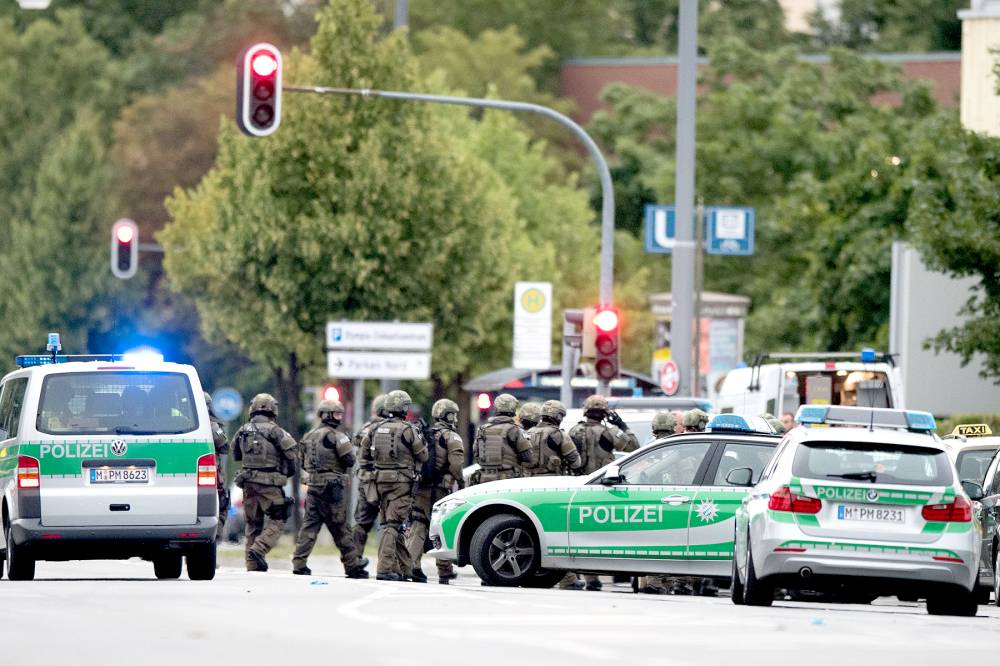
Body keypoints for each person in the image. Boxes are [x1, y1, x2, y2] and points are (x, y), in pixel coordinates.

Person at [291, 399, 369, 578]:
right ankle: (352, 565)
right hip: (332, 489)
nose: (340, 417)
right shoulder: (336, 435)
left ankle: (299, 562)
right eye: (336, 414)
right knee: (341, 528)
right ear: (326, 414)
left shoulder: (308, 435)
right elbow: (349, 460)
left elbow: (301, 460)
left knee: (309, 527)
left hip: (313, 487)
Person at [568, 395, 639, 591]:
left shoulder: (573, 430)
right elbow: (634, 445)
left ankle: (584, 577)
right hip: (601, 489)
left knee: (577, 532)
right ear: (605, 413)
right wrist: (622, 425)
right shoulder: (609, 432)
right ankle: (595, 577)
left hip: (577, 487)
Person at [361, 390, 427, 582]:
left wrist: (369, 474)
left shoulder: (374, 429)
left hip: (380, 483)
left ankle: (405, 569)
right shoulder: (408, 430)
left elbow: (363, 456)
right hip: (401, 484)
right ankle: (383, 568)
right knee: (393, 525)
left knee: (392, 525)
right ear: (404, 408)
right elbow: (423, 456)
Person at [232, 393, 299, 572]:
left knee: (253, 523)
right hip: (269, 483)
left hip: (247, 483)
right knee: (279, 517)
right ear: (273, 410)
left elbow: (236, 455)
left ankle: (252, 564)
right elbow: (292, 455)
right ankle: (259, 549)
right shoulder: (276, 431)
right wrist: (287, 471)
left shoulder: (242, 430)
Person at [523, 400, 585, 590]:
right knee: (557, 532)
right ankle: (568, 579)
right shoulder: (558, 435)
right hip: (552, 487)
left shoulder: (527, 433)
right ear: (558, 417)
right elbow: (576, 462)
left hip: (526, 487)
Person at [406, 399, 465, 584]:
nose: (455, 418)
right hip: (439, 489)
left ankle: (411, 565)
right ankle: (444, 569)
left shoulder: (424, 433)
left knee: (418, 525)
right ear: (446, 415)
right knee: (442, 527)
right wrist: (461, 483)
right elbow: (456, 465)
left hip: (421, 487)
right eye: (452, 414)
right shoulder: (451, 436)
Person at [353, 394, 387, 555]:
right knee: (392, 524)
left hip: (366, 481)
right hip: (389, 481)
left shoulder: (364, 428)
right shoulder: (394, 426)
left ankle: (354, 559)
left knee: (362, 522)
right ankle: (391, 564)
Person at [471, 393, 531, 484]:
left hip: (484, 480)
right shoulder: (514, 430)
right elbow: (527, 457)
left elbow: (476, 453)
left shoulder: (483, 429)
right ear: (512, 409)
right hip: (506, 481)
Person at [205, 392, 230, 543]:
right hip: (211, 476)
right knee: (219, 511)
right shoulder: (211, 425)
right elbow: (225, 446)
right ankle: (213, 546)